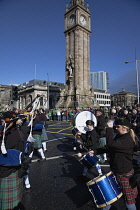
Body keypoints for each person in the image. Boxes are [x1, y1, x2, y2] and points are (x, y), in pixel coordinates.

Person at [88, 118, 138, 210]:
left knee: (129, 199)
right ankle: (106, 207)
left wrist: (109, 128)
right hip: (117, 170)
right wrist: (95, 151)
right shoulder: (120, 136)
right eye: (114, 126)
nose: (115, 128)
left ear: (124, 128)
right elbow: (110, 147)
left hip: (123, 172)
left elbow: (110, 144)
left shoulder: (127, 140)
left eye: (117, 127)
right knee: (109, 191)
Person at [0, 112, 30, 210]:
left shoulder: (6, 136)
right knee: (14, 203)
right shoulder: (19, 131)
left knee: (7, 205)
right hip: (16, 170)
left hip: (5, 172)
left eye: (2, 121)